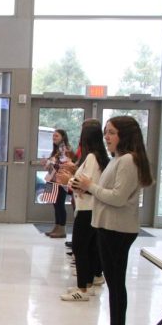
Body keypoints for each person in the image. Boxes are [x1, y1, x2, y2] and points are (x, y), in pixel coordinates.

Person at [71, 116, 153, 325]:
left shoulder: (128, 160)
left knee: (116, 285)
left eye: (112, 133)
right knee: (115, 284)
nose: (107, 137)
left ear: (125, 135)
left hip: (116, 229)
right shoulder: (122, 159)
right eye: (106, 132)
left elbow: (117, 198)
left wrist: (90, 186)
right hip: (111, 227)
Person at [56, 119, 109, 301]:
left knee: (80, 248)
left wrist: (68, 180)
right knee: (87, 248)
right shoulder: (95, 157)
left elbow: (85, 184)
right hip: (88, 207)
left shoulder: (92, 158)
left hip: (87, 209)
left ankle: (83, 290)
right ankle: (85, 284)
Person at [43, 129, 71, 238]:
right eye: (53, 136)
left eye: (57, 136)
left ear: (63, 137)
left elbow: (63, 164)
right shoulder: (56, 150)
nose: (54, 138)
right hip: (52, 179)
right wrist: (48, 163)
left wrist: (52, 162)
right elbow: (53, 165)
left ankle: (62, 229)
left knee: (60, 204)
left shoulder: (64, 149)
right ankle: (57, 226)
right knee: (55, 204)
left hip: (60, 181)